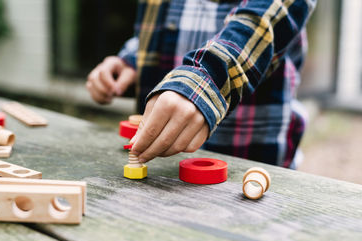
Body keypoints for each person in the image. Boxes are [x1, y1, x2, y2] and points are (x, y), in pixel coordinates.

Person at [86, 0, 316, 168]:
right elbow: (161, 22)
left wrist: (206, 79)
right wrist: (133, 61)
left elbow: (264, 19)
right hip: (158, 169)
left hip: (249, 166)